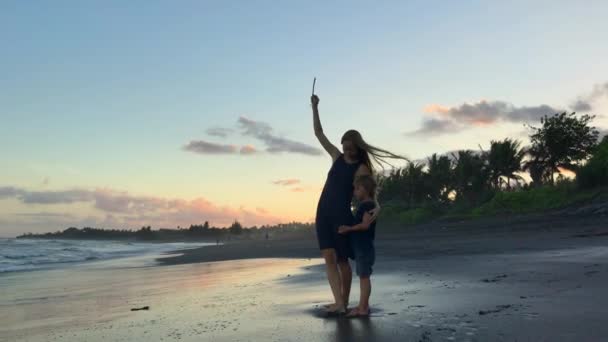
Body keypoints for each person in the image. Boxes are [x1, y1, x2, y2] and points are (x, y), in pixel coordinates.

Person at [311, 93, 406, 315]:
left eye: (350, 148)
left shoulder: (361, 167)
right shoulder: (335, 156)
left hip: (341, 214)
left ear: (358, 147)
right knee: (328, 257)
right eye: (344, 148)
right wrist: (314, 107)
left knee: (342, 260)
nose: (346, 152)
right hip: (322, 212)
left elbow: (371, 189)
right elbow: (318, 133)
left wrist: (378, 206)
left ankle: (343, 301)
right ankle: (339, 302)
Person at [338, 174, 378, 318]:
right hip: (363, 247)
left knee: (364, 277)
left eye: (357, 189)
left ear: (365, 189)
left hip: (364, 248)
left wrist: (348, 229)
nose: (355, 192)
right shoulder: (367, 204)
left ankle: (363, 308)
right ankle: (363, 306)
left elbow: (365, 225)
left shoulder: (368, 205)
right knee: (363, 276)